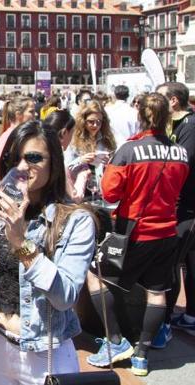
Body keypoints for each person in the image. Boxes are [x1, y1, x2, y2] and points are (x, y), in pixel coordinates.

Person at [0, 120, 97, 385]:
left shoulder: (75, 221)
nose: (23, 166)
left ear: (54, 163)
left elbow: (65, 296)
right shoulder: (6, 213)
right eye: (16, 158)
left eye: (34, 158)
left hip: (44, 354)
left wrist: (21, 242)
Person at [86, 93, 189, 376]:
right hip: (168, 231)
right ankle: (142, 355)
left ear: (140, 116)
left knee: (96, 274)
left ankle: (116, 340)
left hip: (135, 231)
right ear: (168, 117)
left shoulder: (129, 150)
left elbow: (109, 193)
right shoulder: (180, 151)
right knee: (157, 292)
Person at [156, 82, 195, 343]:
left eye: (158, 98)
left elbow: (182, 162)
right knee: (188, 263)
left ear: (172, 101)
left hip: (187, 207)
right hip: (182, 205)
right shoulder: (180, 125)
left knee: (175, 263)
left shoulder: (190, 126)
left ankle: (167, 320)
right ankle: (190, 315)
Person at [63, 100, 116, 200]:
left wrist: (109, 163)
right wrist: (81, 160)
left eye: (99, 122)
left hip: (99, 191)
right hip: (77, 193)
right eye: (91, 122)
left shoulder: (106, 139)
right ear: (83, 121)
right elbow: (64, 169)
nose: (95, 125)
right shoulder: (74, 139)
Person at [44, 110, 89, 203]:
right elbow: (75, 197)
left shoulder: (43, 150)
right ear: (64, 133)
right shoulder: (57, 155)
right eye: (72, 133)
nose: (72, 137)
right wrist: (83, 176)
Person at [0, 95, 35, 179]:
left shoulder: (12, 134)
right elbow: (1, 170)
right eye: (31, 112)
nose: (35, 115)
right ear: (18, 114)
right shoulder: (15, 137)